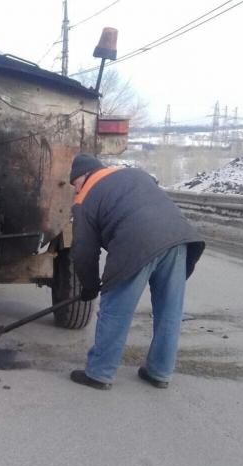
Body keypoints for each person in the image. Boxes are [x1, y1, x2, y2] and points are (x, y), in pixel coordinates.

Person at [67, 154, 205, 390]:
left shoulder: (85, 197)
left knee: (116, 311)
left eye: (75, 185)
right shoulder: (136, 174)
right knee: (169, 312)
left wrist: (89, 285)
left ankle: (100, 373)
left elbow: (83, 251)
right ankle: (159, 372)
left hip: (136, 244)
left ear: (82, 177)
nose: (75, 190)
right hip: (179, 239)